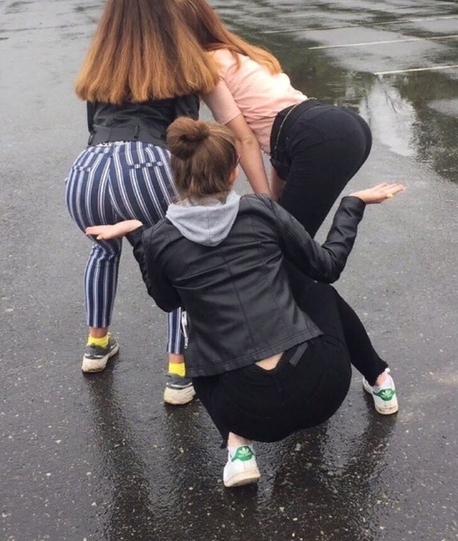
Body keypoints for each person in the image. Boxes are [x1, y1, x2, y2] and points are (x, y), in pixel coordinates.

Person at [86, 117, 405, 488]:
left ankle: (238, 449)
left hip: (244, 410)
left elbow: (168, 301)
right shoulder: (261, 211)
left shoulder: (160, 238)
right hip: (322, 389)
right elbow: (327, 266)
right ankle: (380, 381)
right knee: (318, 289)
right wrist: (352, 203)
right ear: (233, 172)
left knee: (191, 324)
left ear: (176, 176)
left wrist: (138, 237)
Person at [65, 0, 219, 405]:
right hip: (149, 161)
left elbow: (93, 126)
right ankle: (178, 371)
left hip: (86, 171)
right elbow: (184, 132)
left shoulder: (103, 58)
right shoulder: (179, 57)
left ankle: (97, 344)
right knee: (178, 259)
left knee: (103, 249)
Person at [176, 0, 373, 238]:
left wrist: (266, 203)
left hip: (318, 134)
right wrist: (277, 192)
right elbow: (282, 129)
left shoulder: (208, 68)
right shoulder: (241, 55)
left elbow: (244, 139)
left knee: (285, 241)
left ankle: (337, 234)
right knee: (293, 238)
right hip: (343, 126)